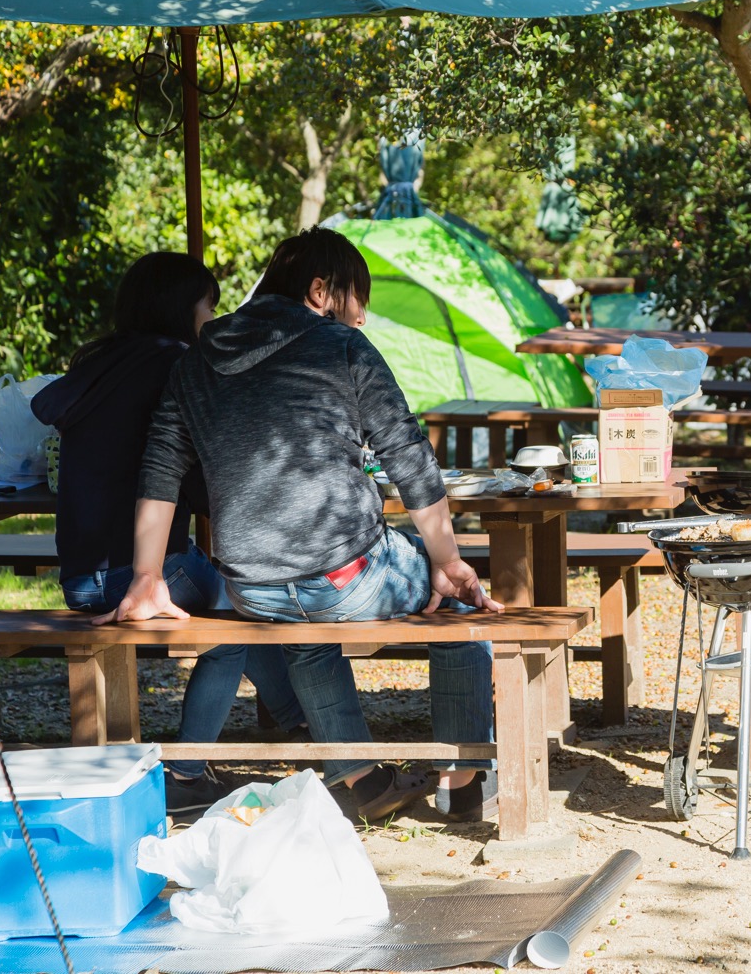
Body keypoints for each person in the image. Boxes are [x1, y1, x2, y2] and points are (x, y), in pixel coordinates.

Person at [98, 227, 504, 822]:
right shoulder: (341, 348)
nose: (360, 321)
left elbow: (159, 467)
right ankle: (464, 779)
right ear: (322, 290)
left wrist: (146, 577)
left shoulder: (197, 359)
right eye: (357, 304)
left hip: (252, 590)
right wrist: (449, 564)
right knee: (461, 610)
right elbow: (409, 457)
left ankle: (359, 778)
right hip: (347, 577)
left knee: (305, 630)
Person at [31, 252, 306, 813]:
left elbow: (45, 403)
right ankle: (187, 772)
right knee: (239, 611)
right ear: (183, 308)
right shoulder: (178, 364)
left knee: (226, 591)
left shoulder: (101, 360)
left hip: (81, 571)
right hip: (135, 572)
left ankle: (299, 721)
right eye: (209, 305)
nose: (214, 318)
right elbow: (205, 480)